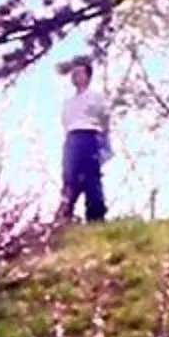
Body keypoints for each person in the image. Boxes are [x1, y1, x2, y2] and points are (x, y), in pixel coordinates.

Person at [58, 60, 113, 224]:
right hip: (72, 138)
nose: (75, 76)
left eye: (79, 73)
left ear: (88, 76)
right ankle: (65, 215)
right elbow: (66, 122)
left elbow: (105, 118)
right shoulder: (68, 102)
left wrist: (104, 141)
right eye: (73, 74)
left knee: (91, 177)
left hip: (89, 136)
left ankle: (96, 216)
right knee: (69, 177)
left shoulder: (96, 97)